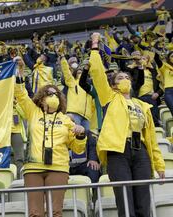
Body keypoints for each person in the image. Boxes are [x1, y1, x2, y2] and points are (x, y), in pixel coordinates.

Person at [89, 32, 165, 217]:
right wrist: (95, 44)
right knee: (125, 202)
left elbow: (152, 139)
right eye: (120, 78)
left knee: (143, 203)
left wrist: (160, 165)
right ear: (114, 85)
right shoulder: (110, 97)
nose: (125, 80)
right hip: (118, 151)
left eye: (127, 78)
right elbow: (97, 72)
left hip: (141, 153)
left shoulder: (143, 105)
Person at [14, 57, 86, 217]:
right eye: (48, 93)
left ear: (60, 98)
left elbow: (77, 148)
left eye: (55, 94)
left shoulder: (67, 119)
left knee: (55, 212)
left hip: (58, 168)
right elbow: (20, 93)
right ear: (41, 97)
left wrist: (81, 134)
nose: (52, 96)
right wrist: (19, 71)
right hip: (33, 168)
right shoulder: (33, 111)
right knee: (34, 213)